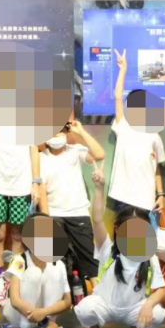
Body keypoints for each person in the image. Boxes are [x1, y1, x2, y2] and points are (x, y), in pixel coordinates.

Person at [75, 204, 165, 328]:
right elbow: (97, 220)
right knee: (86, 309)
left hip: (133, 309)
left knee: (157, 314)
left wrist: (148, 305)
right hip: (105, 305)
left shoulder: (150, 258)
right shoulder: (107, 249)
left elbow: (162, 290)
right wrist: (99, 191)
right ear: (118, 229)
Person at [109, 51, 165, 216]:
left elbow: (155, 168)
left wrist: (160, 194)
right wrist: (123, 70)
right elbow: (118, 97)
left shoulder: (154, 135)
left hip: (146, 199)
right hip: (122, 196)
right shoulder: (122, 125)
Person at [39, 120, 105, 286]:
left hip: (78, 212)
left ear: (67, 133)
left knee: (89, 258)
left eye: (60, 131)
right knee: (54, 261)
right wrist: (46, 221)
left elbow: (99, 154)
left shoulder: (75, 151)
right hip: (54, 214)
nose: (56, 136)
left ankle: (98, 292)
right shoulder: (40, 158)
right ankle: (59, 295)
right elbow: (42, 192)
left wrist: (81, 131)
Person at [0, 137, 43, 302]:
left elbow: (34, 149)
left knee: (18, 236)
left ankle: (14, 279)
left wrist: (36, 183)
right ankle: (0, 279)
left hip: (22, 184)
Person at [2, 214, 73, 328]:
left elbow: (67, 301)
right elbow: (15, 300)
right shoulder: (20, 260)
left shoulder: (58, 264)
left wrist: (44, 313)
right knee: (34, 272)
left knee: (54, 272)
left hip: (45, 314)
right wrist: (45, 322)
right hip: (20, 315)